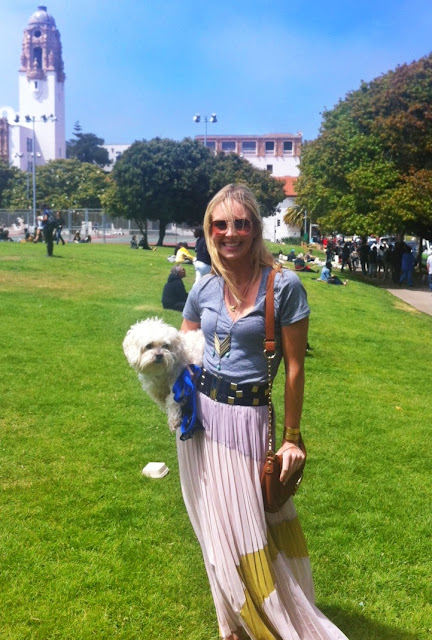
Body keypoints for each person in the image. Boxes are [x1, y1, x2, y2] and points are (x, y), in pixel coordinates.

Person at [179, 184, 348, 640]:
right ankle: (232, 623)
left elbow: (294, 368)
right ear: (209, 231)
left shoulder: (284, 285)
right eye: (220, 224)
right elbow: (184, 348)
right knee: (213, 526)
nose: (230, 233)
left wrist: (292, 438)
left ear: (255, 229)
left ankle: (267, 614)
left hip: (250, 422)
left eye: (240, 223)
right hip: (201, 422)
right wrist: (175, 398)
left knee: (250, 525)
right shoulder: (204, 286)